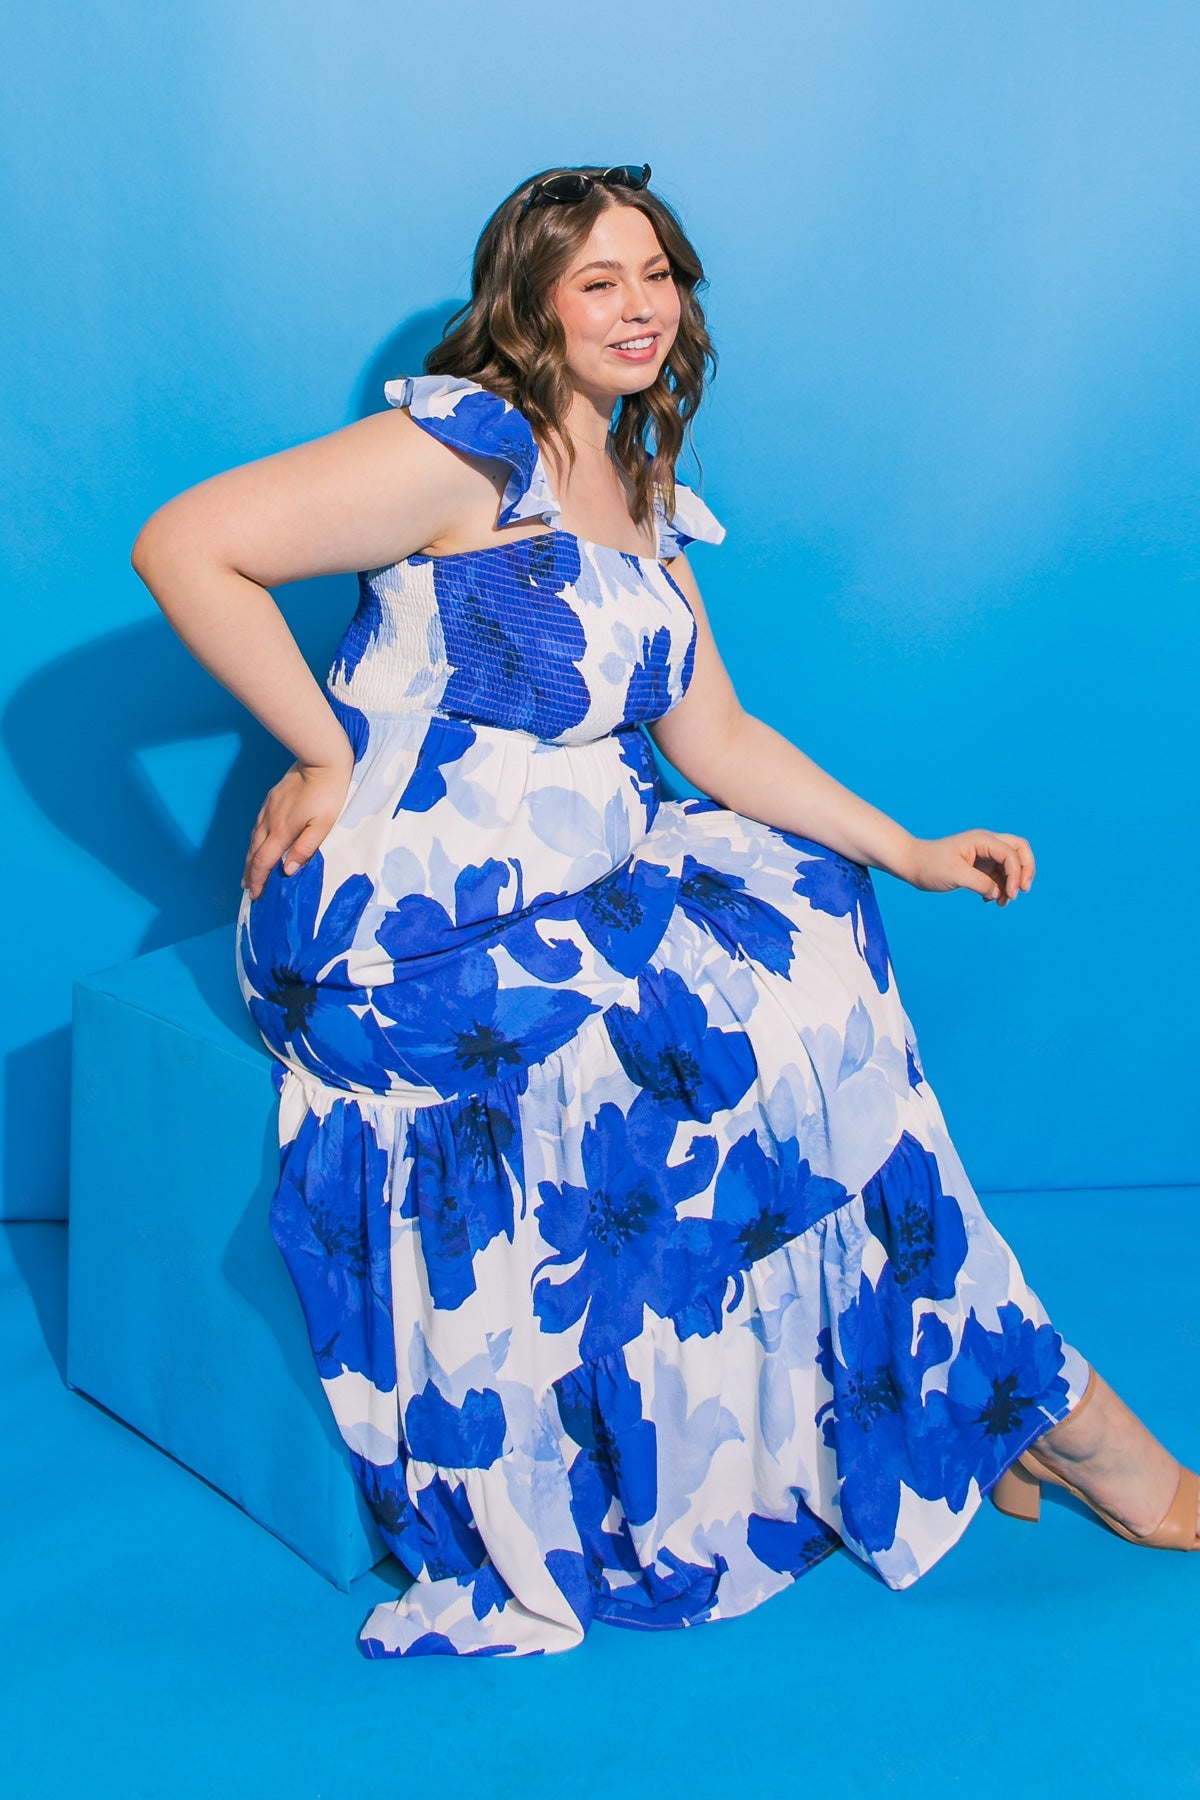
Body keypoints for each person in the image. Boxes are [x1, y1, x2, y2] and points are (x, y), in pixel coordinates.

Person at [130, 162, 1199, 1659]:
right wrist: (318, 746)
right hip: (402, 926)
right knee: (727, 1027)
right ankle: (1054, 1418)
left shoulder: (635, 487)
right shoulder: (468, 449)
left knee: (818, 934)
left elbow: (714, 740)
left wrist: (908, 847)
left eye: (659, 276)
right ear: (532, 306)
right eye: (598, 283)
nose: (639, 310)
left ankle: (993, 1393)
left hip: (574, 874)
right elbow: (187, 543)